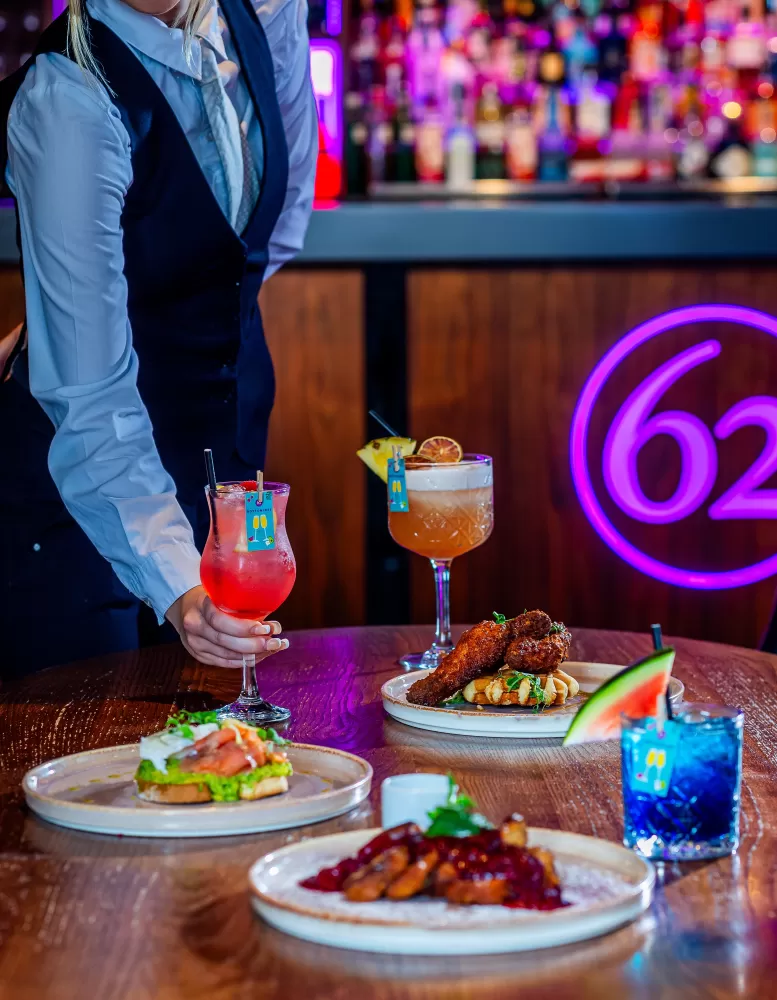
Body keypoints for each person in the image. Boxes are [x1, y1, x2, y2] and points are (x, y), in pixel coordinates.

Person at [0, 0, 318, 677]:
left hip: (219, 464)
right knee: (96, 765)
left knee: (224, 766)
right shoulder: (68, 97)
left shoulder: (264, 12)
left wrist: (120, 310)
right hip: (75, 506)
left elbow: (272, 231)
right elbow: (90, 396)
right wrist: (180, 588)